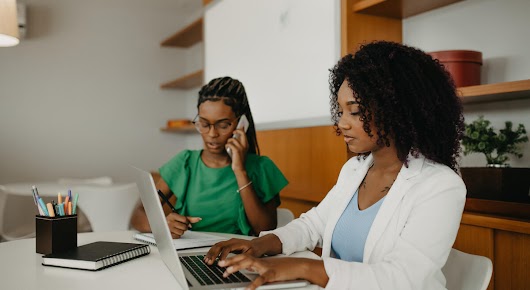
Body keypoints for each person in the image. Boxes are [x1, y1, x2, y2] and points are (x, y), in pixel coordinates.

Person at [203, 41, 467, 289]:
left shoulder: (440, 186)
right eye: (341, 111)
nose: (342, 123)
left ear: (396, 110)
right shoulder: (355, 169)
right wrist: (260, 245)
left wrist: (302, 268)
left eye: (355, 111)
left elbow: (401, 278)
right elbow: (312, 225)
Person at [130, 76, 288, 238]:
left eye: (223, 125)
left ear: (241, 123)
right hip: (190, 254)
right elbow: (138, 215)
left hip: (238, 256)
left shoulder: (262, 167)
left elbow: (265, 229)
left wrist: (240, 170)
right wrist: (162, 224)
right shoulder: (185, 162)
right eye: (204, 124)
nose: (212, 134)